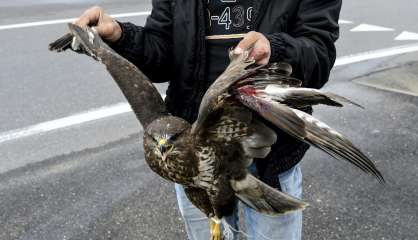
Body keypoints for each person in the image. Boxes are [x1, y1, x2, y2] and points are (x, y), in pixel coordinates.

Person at [73, 0, 341, 239]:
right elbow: (162, 54)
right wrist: (119, 35)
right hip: (190, 155)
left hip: (266, 151)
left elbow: (319, 52)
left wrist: (276, 49)